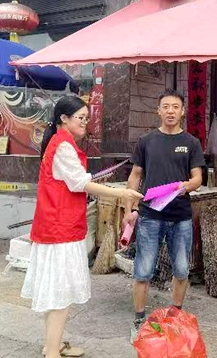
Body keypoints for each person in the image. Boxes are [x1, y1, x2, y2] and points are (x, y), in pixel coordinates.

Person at [21, 96, 143, 358]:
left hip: (57, 226)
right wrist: (121, 193)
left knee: (57, 291)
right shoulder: (63, 146)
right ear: (64, 118)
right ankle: (52, 351)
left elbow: (75, 181)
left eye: (87, 118)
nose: (85, 122)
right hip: (60, 229)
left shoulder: (59, 143)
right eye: (81, 118)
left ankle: (52, 345)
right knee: (61, 293)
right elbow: (81, 183)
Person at [124, 89, 205, 343]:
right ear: (158, 111)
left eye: (175, 107)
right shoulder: (146, 141)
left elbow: (198, 178)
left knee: (181, 269)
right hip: (150, 215)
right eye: (166, 106)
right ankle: (139, 321)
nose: (170, 111)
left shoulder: (191, 142)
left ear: (183, 111)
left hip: (180, 216)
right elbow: (135, 175)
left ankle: (175, 317)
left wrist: (185, 187)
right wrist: (129, 209)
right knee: (143, 270)